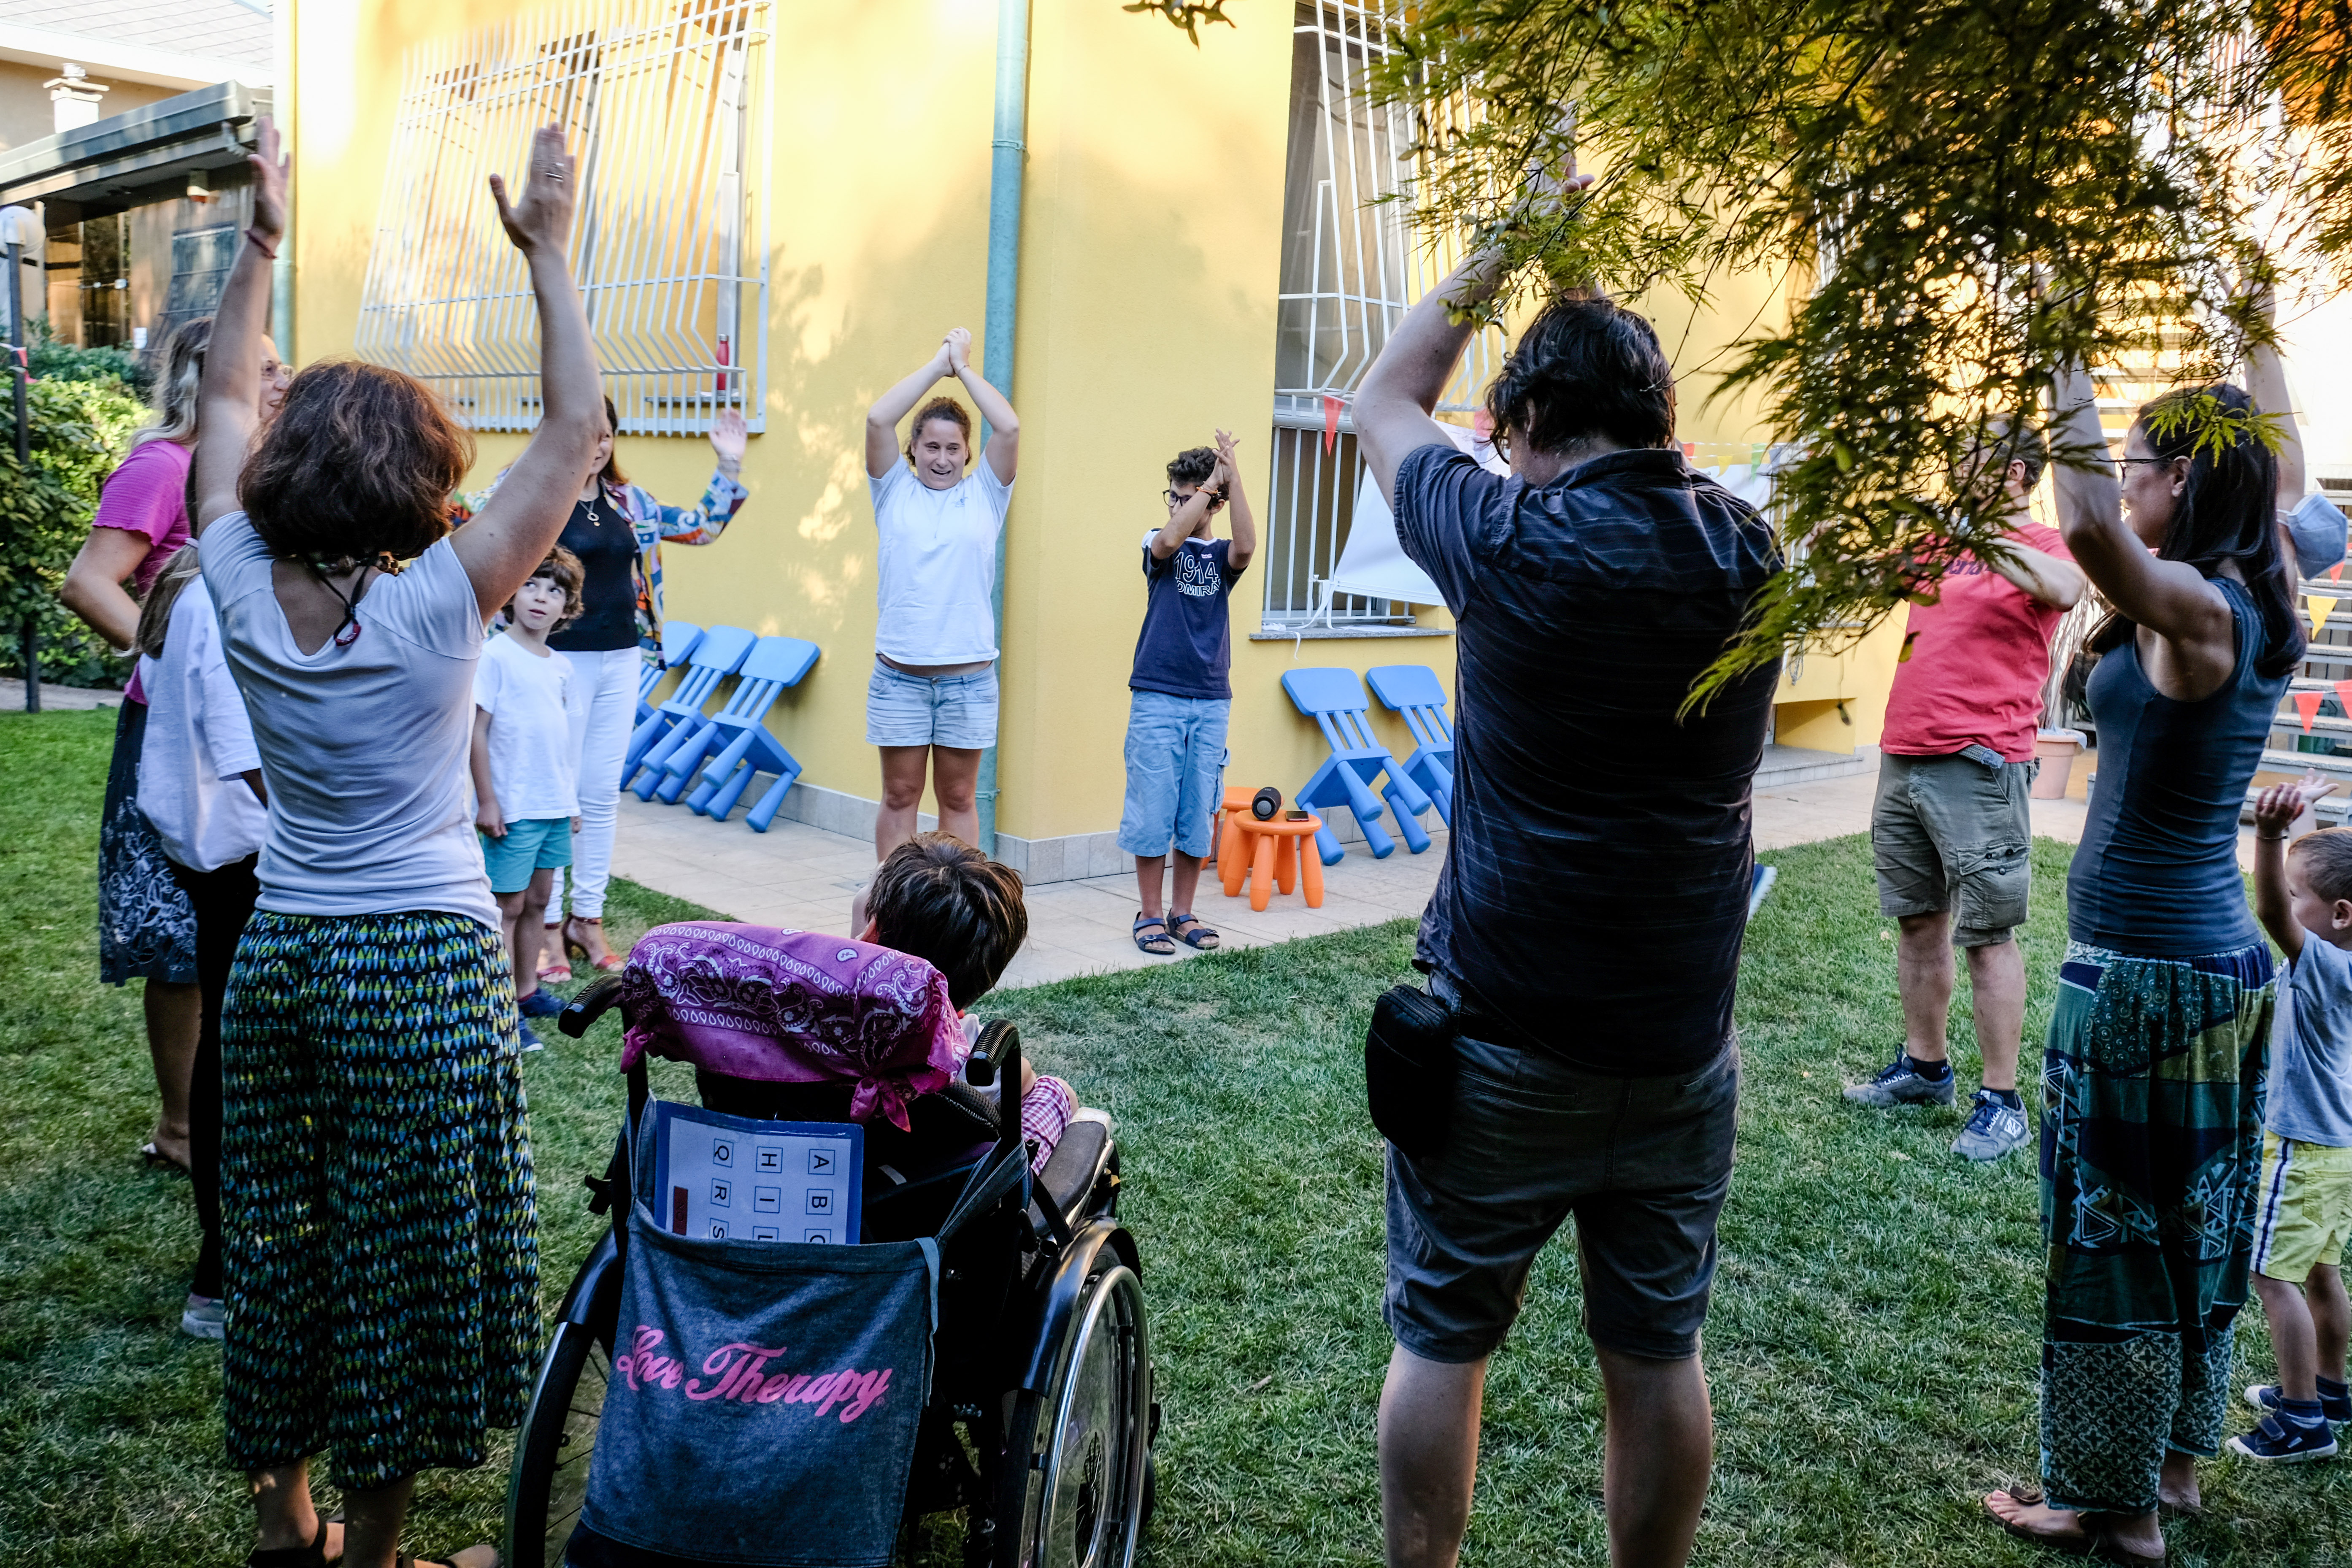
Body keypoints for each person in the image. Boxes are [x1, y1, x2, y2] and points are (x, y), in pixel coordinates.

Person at [1350, 160, 1782, 1567]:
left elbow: (1379, 401)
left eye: (1509, 432)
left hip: (1506, 1037)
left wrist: (1500, 250)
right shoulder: (1750, 555)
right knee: (1657, 1349)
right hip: (1677, 1041)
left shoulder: (1509, 539)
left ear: (1527, 424)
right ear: (1664, 420)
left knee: (1442, 1333)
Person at [192, 119, 601, 1568]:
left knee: (284, 1244)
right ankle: (372, 1562)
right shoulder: (443, 600)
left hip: (285, 957)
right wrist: (548, 251)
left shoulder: (232, 566)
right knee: (398, 1268)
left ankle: (283, 1524)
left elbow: (225, 393)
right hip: (420, 968)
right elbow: (575, 435)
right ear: (416, 478)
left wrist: (258, 239)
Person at [1983, 357, 2303, 1558]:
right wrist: (2254, 318)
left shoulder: (2204, 612)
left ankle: (2109, 1507)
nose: (2117, 481)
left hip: (2136, 978)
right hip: (2216, 973)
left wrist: (2062, 351)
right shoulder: (2267, 584)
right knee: (2195, 1226)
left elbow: (2078, 526)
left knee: (2110, 1231)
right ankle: (2170, 1469)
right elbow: (2280, 455)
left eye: (2131, 463)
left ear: (2176, 477)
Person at [58, 315, 287, 1174]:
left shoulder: (252, 475)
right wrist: (172, 655)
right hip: (170, 732)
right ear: (203, 375)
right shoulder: (165, 465)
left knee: (229, 921)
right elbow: (90, 581)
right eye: (261, 366)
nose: (277, 378)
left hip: (238, 726)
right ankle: (182, 1130)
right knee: (179, 936)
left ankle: (217, 1117)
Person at [1844, 420, 2085, 1160]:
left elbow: (2067, 589)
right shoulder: (1937, 543)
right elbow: (1861, 580)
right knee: (1918, 923)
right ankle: (1923, 1069)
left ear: (2014, 472)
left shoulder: (2045, 545)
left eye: (1969, 459)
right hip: (1904, 751)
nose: (1952, 470)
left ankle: (2001, 1100)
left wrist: (1978, 536)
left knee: (1985, 935)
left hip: (1981, 759)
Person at [473, 399, 748, 979]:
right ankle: (542, 930)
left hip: (622, 657)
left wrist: (729, 466)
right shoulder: (527, 493)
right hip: (555, 662)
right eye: (582, 433)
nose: (594, 445)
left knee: (599, 794)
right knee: (555, 793)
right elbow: (462, 521)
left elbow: (699, 528)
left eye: (604, 436)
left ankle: (587, 919)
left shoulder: (632, 503)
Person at [132, 543, 267, 1341]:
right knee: (243, 1055)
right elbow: (247, 755)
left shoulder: (214, 576)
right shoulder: (230, 588)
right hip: (251, 856)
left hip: (227, 853)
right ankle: (223, 1270)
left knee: (235, 1045)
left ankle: (233, 1264)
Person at [861, 327, 1019, 857]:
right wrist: (937, 366)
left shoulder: (987, 494)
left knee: (957, 797)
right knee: (900, 794)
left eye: (954, 447)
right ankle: (893, 911)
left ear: (969, 451)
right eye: (932, 445)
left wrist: (965, 368)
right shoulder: (892, 489)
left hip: (969, 680)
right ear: (914, 448)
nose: (943, 458)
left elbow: (1011, 425)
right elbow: (878, 418)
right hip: (899, 677)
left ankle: (954, 914)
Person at [2232, 778, 2352, 1463]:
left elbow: (2272, 909)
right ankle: (2329, 1390)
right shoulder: (2343, 956)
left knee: (2270, 1275)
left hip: (2301, 1145)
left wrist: (2270, 834)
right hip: (2337, 1148)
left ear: (2337, 913)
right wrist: (2300, 813)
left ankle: (2300, 1418)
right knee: (2318, 1270)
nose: (2290, 900)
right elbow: (2301, 894)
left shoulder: (2322, 966)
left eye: (2303, 895)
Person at [860, 830, 1073, 1168]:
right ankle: (1017, 1181)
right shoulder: (975, 1057)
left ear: (869, 932)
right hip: (932, 1188)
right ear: (987, 979)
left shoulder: (807, 1014)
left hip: (839, 1167)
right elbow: (1024, 1081)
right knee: (1057, 1090)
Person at [1121, 431, 1255, 956]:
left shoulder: (1222, 555)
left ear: (1215, 502)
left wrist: (1232, 478)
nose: (1178, 504)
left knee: (1197, 809)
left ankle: (1183, 913)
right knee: (1152, 807)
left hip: (1210, 698)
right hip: (1157, 694)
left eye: (1189, 495)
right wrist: (1207, 487)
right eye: (1174, 495)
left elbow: (1247, 544)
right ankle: (1150, 914)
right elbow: (1168, 540)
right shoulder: (1158, 541)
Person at [471, 548, 586, 1051]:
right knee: (508, 904)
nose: (542, 598)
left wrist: (572, 801)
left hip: (552, 804)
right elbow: (477, 732)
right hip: (513, 807)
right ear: (512, 594)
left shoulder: (560, 667)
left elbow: (559, 739)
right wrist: (488, 800)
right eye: (532, 585)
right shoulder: (495, 655)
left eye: (555, 590)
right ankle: (497, 1007)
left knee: (540, 901)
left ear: (568, 606)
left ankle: (526, 989)